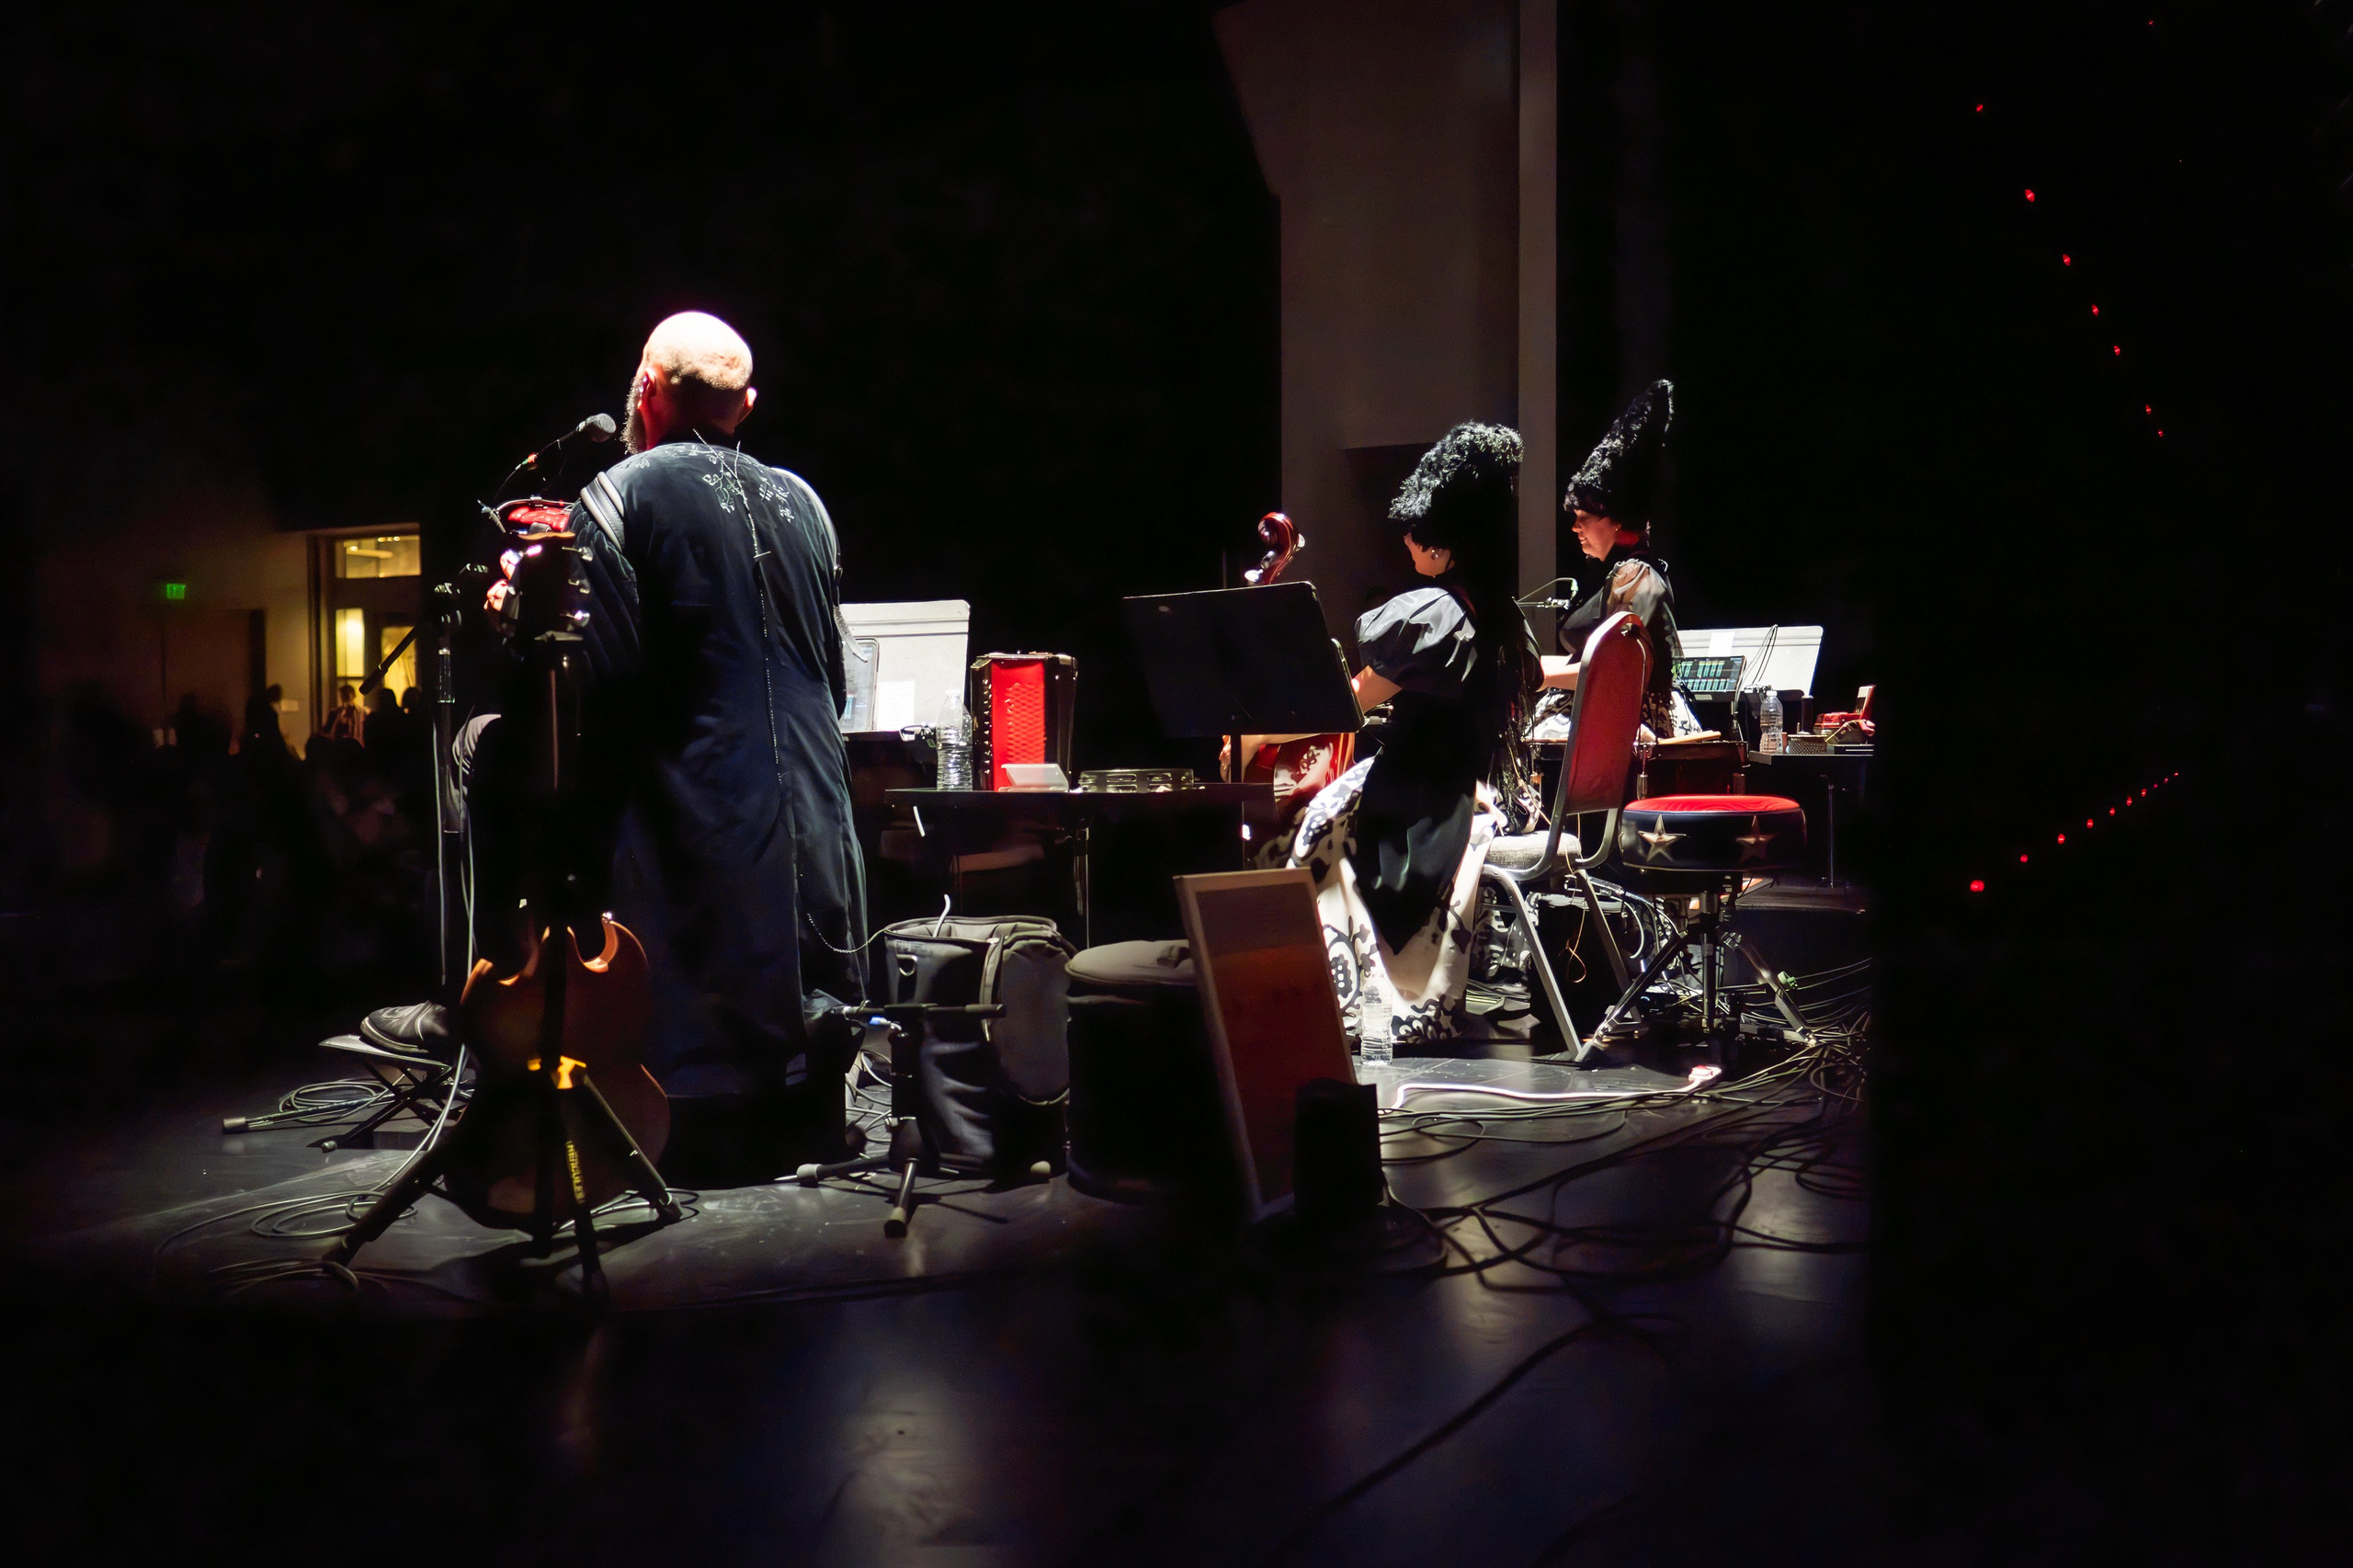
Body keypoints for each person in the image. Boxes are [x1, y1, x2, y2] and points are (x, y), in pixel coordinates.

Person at [363, 312, 867, 1173]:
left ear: (645, 388)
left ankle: (490, 1000)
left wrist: (519, 621)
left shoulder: (621, 492)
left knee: (481, 748)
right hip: (823, 861)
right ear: (744, 406)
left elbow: (594, 689)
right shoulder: (810, 506)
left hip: (692, 844)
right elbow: (836, 682)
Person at [1269, 422, 1563, 1047]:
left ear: (1448, 539)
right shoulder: (1504, 616)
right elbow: (1530, 681)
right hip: (1474, 788)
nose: (1407, 539)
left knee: (1311, 817)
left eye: (1420, 531)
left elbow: (1352, 701)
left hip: (1420, 800)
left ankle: (1331, 995)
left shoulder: (1436, 614)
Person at [1549, 380, 1685, 738]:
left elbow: (1615, 669)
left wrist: (1538, 676)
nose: (1576, 529)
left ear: (1618, 519)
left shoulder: (1637, 573)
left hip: (1635, 728)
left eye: (1585, 518)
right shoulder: (1616, 574)